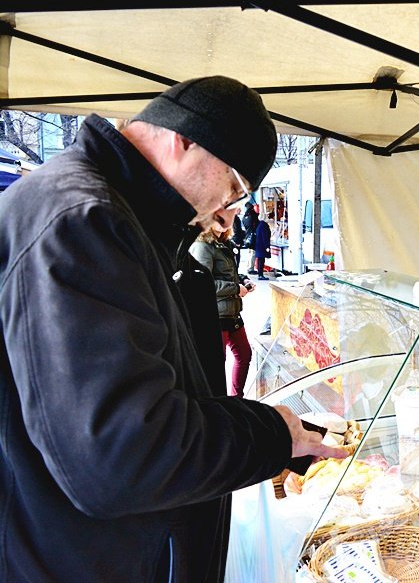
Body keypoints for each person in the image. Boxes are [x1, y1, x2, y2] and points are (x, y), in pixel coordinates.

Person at [0, 75, 346, 581]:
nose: (225, 217)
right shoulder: (84, 221)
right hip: (81, 561)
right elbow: (121, 457)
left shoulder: (109, 214)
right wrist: (272, 434)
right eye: (232, 188)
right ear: (186, 138)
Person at [190, 225, 255, 398]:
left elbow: (229, 274)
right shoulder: (202, 246)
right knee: (217, 365)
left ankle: (236, 399)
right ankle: (221, 404)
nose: (225, 219)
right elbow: (202, 283)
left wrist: (244, 280)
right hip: (216, 315)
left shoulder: (224, 243)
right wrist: (235, 288)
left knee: (244, 354)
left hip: (232, 312)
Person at [255, 212, 272, 280]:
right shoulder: (264, 225)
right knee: (261, 261)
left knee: (260, 260)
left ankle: (260, 274)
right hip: (262, 246)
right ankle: (260, 275)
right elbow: (264, 236)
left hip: (259, 245)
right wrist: (267, 246)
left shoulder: (260, 224)